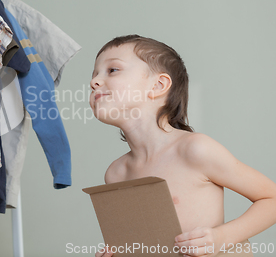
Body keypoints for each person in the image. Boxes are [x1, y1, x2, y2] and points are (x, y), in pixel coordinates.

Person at [91, 35, 276, 257]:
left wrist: (222, 238)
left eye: (112, 70)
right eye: (94, 74)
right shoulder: (116, 173)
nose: (95, 82)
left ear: (158, 85)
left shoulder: (194, 150)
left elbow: (271, 199)